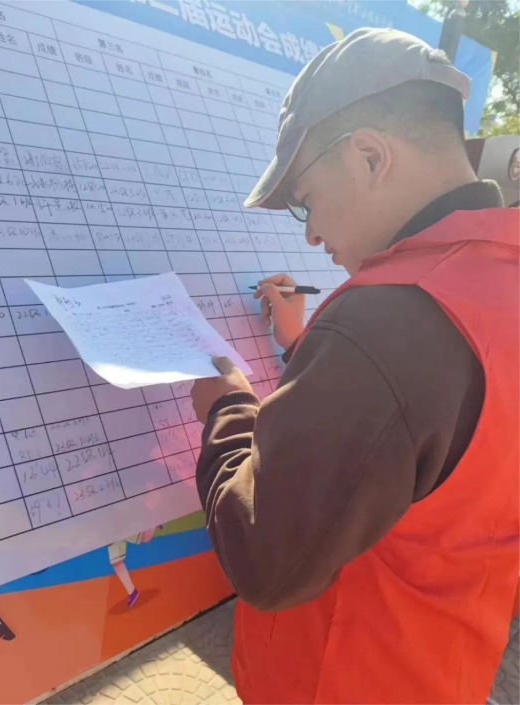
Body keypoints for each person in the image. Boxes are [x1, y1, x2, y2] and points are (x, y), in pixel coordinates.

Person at [190, 28, 519, 705]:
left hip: (334, 680)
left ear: (370, 156)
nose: (312, 233)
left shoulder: (385, 322)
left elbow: (266, 558)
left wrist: (229, 407)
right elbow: (426, 437)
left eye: (305, 199)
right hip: (442, 670)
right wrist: (307, 351)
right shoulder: (497, 277)